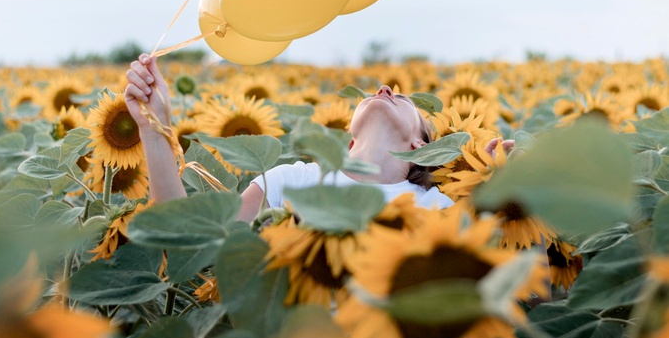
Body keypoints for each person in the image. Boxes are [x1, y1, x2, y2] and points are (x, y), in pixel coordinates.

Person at [124, 53, 513, 223]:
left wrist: (508, 197)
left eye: (404, 99)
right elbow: (185, 238)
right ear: (346, 142)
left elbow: (530, 300)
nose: (384, 88)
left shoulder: (439, 208)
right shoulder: (294, 180)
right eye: (374, 94)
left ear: (420, 146)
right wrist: (153, 128)